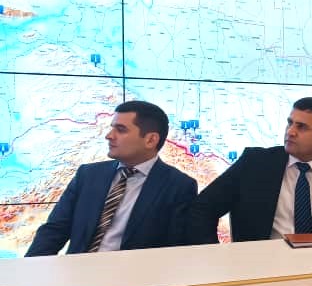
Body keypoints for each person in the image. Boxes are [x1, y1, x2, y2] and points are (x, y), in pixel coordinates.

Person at [186, 97, 312, 244]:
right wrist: (214, 255)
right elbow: (203, 208)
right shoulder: (254, 163)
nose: (290, 131)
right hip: (259, 266)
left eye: (302, 127)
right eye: (290, 123)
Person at [26, 101, 197, 256]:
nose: (109, 135)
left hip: (135, 277)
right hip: (78, 272)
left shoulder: (178, 186)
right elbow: (54, 230)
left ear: (150, 140)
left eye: (120, 130)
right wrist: (31, 269)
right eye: (112, 128)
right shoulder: (88, 175)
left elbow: (175, 250)